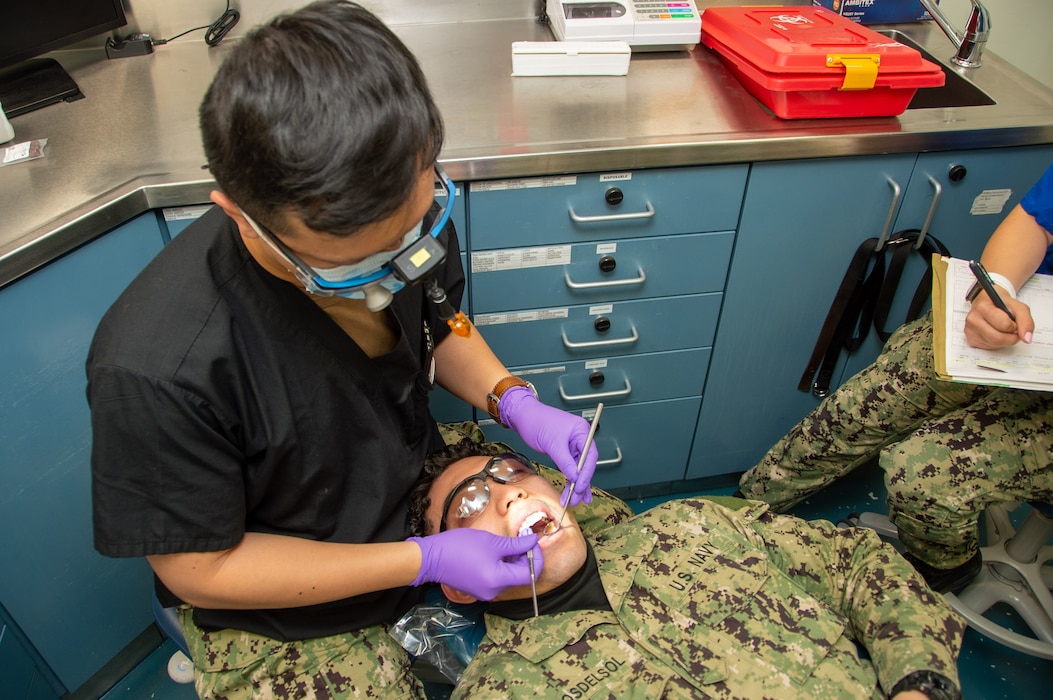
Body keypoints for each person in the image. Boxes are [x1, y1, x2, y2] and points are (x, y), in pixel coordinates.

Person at [86, 3, 620, 696]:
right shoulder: (158, 367)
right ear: (237, 212)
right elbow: (196, 569)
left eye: (413, 228)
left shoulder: (399, 202)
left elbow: (438, 324)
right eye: (362, 262)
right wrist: (421, 560)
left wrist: (510, 397)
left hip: (401, 498)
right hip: (282, 598)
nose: (402, 263)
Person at [408, 440, 966, 700]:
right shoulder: (499, 691)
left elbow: (857, 563)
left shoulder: (688, 523)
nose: (508, 493)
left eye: (510, 471)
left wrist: (921, 683)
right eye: (471, 503)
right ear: (454, 580)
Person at [738, 163, 1053, 593]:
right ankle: (743, 507)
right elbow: (1037, 223)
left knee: (925, 470)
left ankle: (946, 564)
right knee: (870, 402)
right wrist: (995, 293)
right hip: (1036, 327)